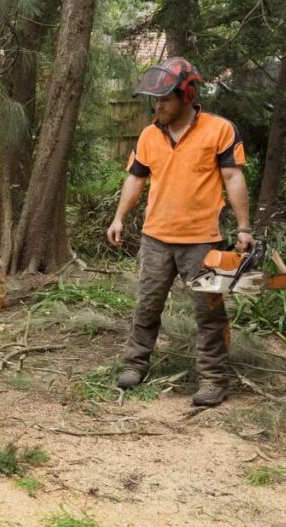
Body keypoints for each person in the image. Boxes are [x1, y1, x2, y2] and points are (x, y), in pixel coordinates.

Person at [106, 57, 255, 407]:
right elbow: (135, 178)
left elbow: (233, 178)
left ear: (187, 95)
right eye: (154, 100)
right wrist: (118, 218)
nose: (157, 106)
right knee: (146, 305)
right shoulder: (148, 134)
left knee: (209, 311)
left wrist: (244, 228)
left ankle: (214, 379)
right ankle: (135, 365)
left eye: (164, 99)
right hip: (155, 236)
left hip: (202, 239)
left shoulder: (219, 130)